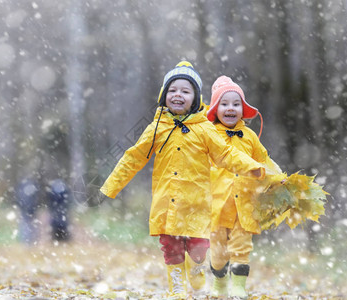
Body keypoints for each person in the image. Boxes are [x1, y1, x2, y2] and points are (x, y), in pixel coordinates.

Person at [100, 61, 265, 299]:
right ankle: (176, 289)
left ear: (195, 98)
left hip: (197, 203)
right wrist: (112, 185)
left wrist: (251, 167)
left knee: (198, 250)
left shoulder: (205, 129)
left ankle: (197, 273)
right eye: (172, 90)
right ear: (163, 96)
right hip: (167, 202)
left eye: (185, 91)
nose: (178, 95)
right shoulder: (156, 127)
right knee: (171, 247)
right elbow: (134, 157)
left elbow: (226, 154)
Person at [206, 75, 282, 299]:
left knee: (242, 247)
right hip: (217, 205)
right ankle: (219, 281)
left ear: (243, 108)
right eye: (225, 103)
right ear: (215, 109)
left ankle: (239, 287)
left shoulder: (248, 136)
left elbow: (264, 160)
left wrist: (278, 177)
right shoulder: (208, 135)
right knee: (219, 253)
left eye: (236, 104)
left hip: (244, 204)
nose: (231, 108)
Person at [15, 177, 71, 244]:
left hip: (32, 214)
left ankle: (29, 243)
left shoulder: (25, 189)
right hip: (59, 217)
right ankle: (30, 242)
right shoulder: (60, 191)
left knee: (29, 229)